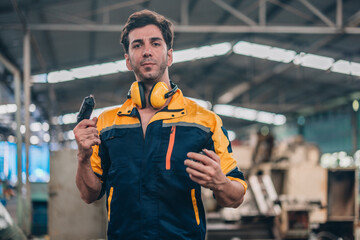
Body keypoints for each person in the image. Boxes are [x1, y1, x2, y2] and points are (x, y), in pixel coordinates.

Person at [74, 9, 247, 240]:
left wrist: (221, 182)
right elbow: (88, 194)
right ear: (127, 60)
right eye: (137, 45)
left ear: (169, 56)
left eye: (155, 43)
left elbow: (235, 198)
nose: (147, 51)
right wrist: (83, 157)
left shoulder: (204, 121)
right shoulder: (107, 123)